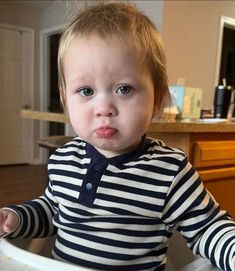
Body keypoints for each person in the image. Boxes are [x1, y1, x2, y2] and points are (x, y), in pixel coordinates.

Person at [0, 2, 234, 271]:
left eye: (124, 89)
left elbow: (207, 228)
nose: (103, 108)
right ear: (66, 100)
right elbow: (52, 211)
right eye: (86, 91)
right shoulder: (63, 159)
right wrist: (17, 218)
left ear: (156, 99)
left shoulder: (170, 172)